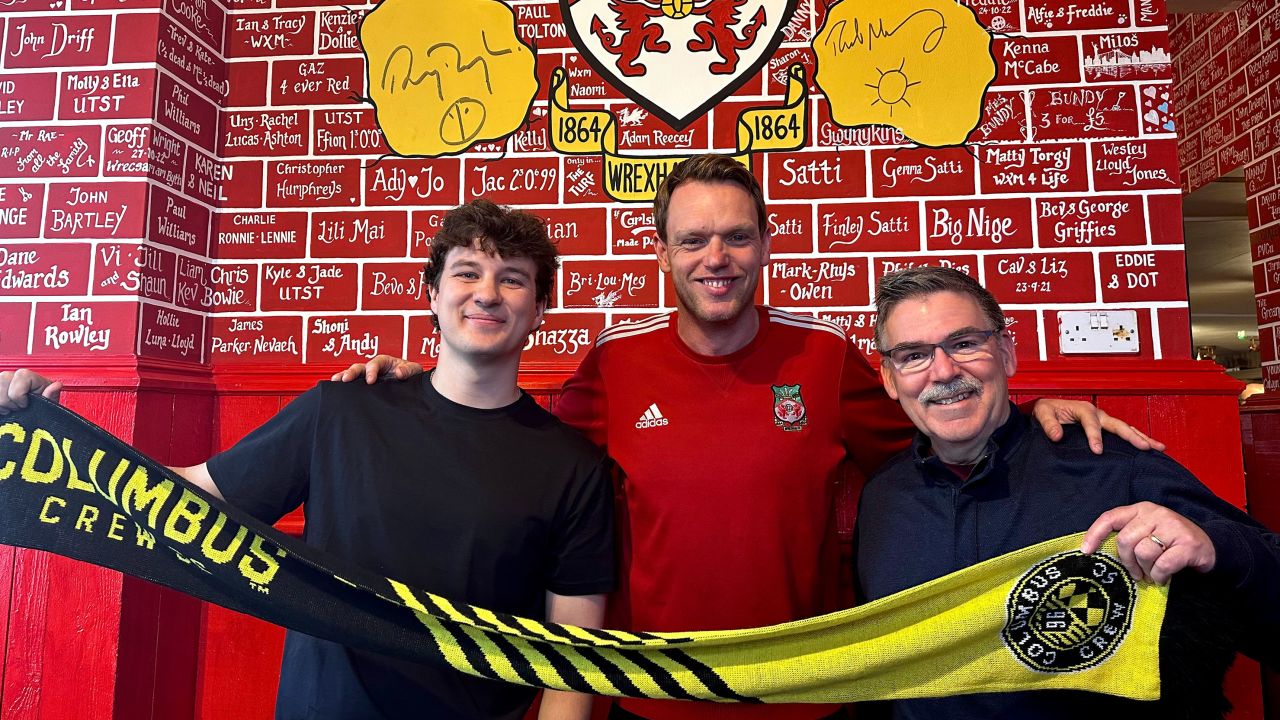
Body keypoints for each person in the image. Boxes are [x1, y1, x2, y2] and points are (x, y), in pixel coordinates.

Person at [340, 155, 1159, 720]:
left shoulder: (826, 357)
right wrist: (433, 381)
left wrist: (1036, 410)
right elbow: (515, 446)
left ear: (766, 245)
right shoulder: (612, 367)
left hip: (810, 699)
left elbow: (939, 431)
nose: (716, 257)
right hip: (648, 699)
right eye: (693, 240)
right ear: (662, 254)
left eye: (736, 236)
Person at [0, 200, 616, 720]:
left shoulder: (572, 467)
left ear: (539, 309)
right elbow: (191, 496)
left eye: (512, 278)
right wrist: (52, 437)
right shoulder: (341, 409)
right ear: (432, 294)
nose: (486, 293)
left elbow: (574, 654)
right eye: (467, 272)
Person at [856, 266, 1280, 719]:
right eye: (913, 355)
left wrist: (1217, 547)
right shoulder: (883, 497)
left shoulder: (1114, 467)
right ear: (889, 377)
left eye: (964, 344)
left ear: (1005, 353)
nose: (943, 371)